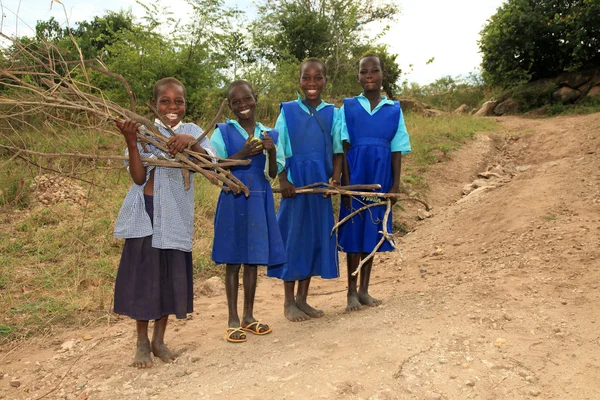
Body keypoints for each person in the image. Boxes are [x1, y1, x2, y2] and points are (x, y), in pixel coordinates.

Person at [113, 77, 215, 367]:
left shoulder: (194, 131)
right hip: (147, 213)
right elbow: (136, 176)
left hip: (176, 215)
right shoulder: (145, 131)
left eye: (178, 101)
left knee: (169, 278)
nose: (172, 107)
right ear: (154, 105)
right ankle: (142, 342)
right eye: (165, 101)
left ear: (185, 104)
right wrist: (132, 141)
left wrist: (191, 143)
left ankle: (159, 340)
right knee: (146, 278)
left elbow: (209, 165)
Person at [267, 58, 343, 322]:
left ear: (325, 80)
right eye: (306, 78)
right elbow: (280, 147)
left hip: (320, 184)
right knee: (292, 237)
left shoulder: (334, 113)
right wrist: (283, 179)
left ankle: (303, 299)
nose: (312, 83)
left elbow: (337, 149)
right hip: (296, 183)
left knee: (313, 239)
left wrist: (335, 180)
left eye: (318, 78)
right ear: (299, 80)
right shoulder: (287, 111)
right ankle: (288, 301)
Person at [211, 80, 287, 342]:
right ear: (230, 106)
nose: (243, 105)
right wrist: (242, 153)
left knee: (252, 260)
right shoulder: (222, 132)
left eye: (247, 99)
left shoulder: (270, 134)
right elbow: (215, 167)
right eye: (236, 102)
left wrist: (272, 150)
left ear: (256, 98)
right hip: (233, 198)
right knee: (233, 260)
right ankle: (232, 319)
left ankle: (249, 316)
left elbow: (274, 173)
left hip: (259, 200)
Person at [336, 54, 412, 312]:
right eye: (364, 71)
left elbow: (397, 148)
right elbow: (343, 145)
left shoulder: (394, 109)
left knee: (372, 231)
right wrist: (346, 184)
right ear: (358, 76)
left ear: (383, 75)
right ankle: (350, 292)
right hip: (355, 172)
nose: (369, 75)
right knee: (354, 232)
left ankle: (365, 290)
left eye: (374, 70)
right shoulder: (346, 107)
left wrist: (396, 185)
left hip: (381, 175)